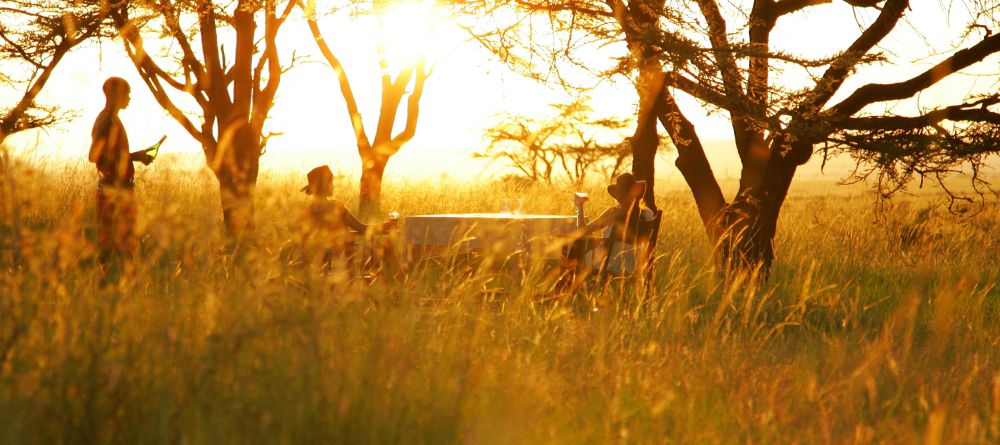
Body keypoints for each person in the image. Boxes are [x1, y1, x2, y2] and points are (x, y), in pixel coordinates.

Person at [88, 77, 154, 267]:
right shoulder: (106, 120)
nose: (129, 98)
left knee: (121, 243)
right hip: (113, 192)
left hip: (118, 190)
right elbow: (94, 156)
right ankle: (113, 286)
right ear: (116, 95)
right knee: (116, 244)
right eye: (127, 93)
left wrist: (136, 156)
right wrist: (132, 157)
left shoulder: (111, 119)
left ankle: (116, 286)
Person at [300, 165, 402, 279]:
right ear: (325, 186)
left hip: (319, 260)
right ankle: (403, 286)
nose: (333, 186)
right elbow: (363, 229)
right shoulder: (336, 207)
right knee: (386, 247)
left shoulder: (305, 210)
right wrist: (386, 225)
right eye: (331, 183)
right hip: (345, 259)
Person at [570, 172, 656, 275]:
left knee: (576, 245)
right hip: (636, 264)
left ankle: (566, 288)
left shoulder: (614, 212)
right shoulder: (648, 214)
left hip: (610, 262)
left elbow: (583, 231)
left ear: (617, 196)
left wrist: (579, 206)